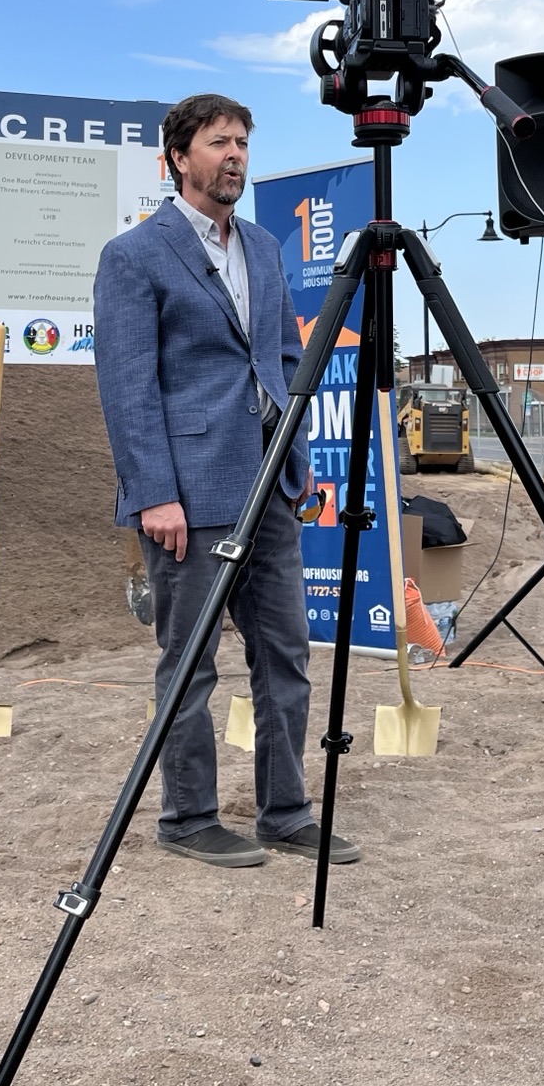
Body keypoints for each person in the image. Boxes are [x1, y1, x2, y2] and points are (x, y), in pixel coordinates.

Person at [92, 93, 360, 870]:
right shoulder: (135, 256)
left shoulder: (267, 249)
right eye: (218, 142)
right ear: (179, 157)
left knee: (286, 655)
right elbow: (127, 386)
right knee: (192, 664)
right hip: (189, 492)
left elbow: (285, 364)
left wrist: (298, 464)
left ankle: (285, 811)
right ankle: (188, 816)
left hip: (269, 486)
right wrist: (153, 494)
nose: (235, 155)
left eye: (243, 141)